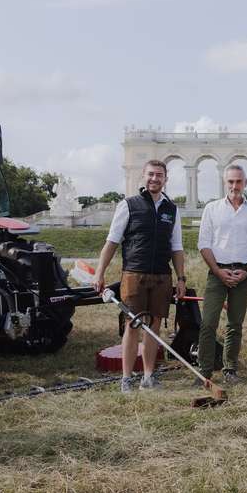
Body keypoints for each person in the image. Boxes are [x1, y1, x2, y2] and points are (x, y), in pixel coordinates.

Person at [92, 160, 186, 393]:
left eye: (160, 175)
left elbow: (177, 247)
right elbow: (112, 241)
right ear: (143, 177)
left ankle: (148, 376)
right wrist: (99, 273)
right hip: (134, 273)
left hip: (162, 276)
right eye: (151, 174)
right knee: (132, 325)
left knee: (154, 326)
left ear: (166, 179)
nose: (155, 179)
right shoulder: (128, 205)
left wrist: (181, 278)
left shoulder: (171, 209)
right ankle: (126, 378)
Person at [196, 164, 247, 384]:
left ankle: (230, 370)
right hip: (217, 272)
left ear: (245, 183)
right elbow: (203, 244)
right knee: (208, 323)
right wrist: (217, 271)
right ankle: (204, 372)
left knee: (235, 324)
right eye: (230, 181)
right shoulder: (212, 209)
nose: (234, 186)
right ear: (225, 183)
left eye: (238, 181)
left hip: (244, 273)